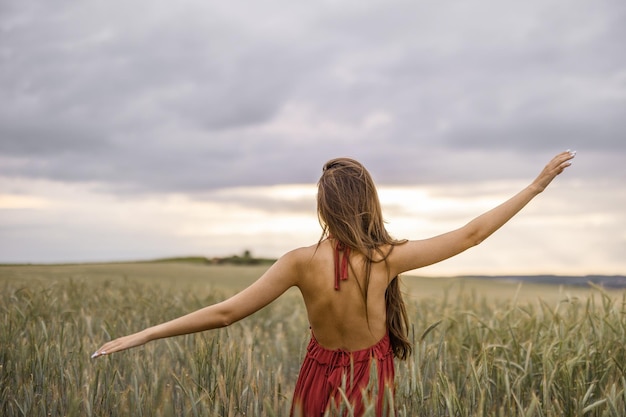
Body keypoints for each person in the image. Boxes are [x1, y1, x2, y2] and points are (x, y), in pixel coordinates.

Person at [92, 150, 576, 416]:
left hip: (318, 373)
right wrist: (534, 186)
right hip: (369, 376)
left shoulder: (298, 262)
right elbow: (471, 235)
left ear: (323, 208)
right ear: (369, 201)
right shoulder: (385, 258)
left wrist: (147, 333)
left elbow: (225, 313)